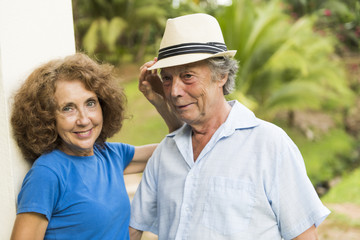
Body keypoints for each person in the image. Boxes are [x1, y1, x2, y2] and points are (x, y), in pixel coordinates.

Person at [129, 13, 330, 240]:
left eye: (187, 76)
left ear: (221, 75)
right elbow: (133, 229)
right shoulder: (166, 152)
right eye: (167, 78)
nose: (174, 91)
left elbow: (303, 235)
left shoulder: (270, 145)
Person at [10, 53, 181, 240]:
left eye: (90, 103)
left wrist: (160, 102)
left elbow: (178, 149)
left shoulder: (110, 155)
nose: (84, 120)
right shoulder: (47, 173)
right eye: (68, 108)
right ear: (48, 117)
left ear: (104, 105)